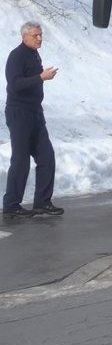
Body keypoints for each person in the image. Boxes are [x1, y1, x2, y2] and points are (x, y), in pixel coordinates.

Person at [3, 21, 62, 218]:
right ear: (24, 37)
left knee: (46, 156)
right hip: (19, 112)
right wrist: (40, 78)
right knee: (21, 160)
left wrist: (42, 77)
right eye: (36, 36)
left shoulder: (34, 54)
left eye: (41, 35)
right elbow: (15, 84)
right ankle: (11, 204)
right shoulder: (16, 56)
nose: (40, 38)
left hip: (35, 112)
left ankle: (42, 202)